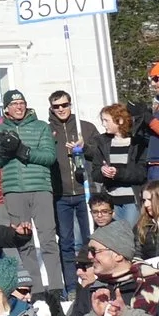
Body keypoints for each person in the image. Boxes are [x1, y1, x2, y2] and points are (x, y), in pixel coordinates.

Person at [0, 89, 61, 294]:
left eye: (22, 103)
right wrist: (4, 150)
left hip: (40, 187)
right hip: (14, 190)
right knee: (24, 241)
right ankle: (35, 289)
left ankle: (55, 287)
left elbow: (49, 157)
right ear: (6, 109)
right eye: (14, 104)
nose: (19, 106)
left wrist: (23, 151)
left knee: (48, 239)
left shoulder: (41, 127)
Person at [46, 91, 95, 283]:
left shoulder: (86, 128)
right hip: (61, 195)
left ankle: (93, 280)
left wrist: (85, 148)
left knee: (90, 240)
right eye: (56, 106)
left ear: (70, 104)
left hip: (85, 192)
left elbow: (100, 154)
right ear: (51, 108)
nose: (61, 109)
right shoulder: (47, 130)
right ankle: (72, 286)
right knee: (66, 242)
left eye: (64, 105)